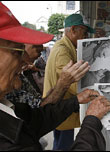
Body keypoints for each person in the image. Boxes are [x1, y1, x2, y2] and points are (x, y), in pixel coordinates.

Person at [0, 1, 110, 151]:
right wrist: (92, 121)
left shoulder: (1, 108)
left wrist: (76, 101)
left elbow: (36, 120)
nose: (25, 61)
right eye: (16, 51)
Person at [42, 14, 96, 150]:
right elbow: (72, 84)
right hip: (62, 106)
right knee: (64, 145)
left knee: (60, 141)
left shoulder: (63, 46)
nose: (85, 37)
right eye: (84, 33)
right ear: (73, 30)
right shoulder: (63, 51)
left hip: (59, 105)